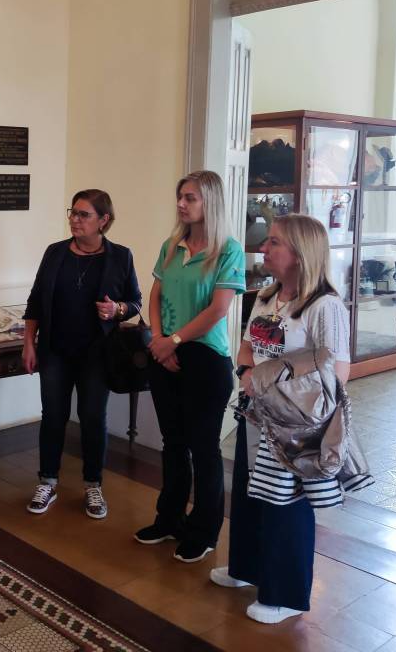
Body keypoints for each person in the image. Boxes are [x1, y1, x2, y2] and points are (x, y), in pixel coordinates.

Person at [211, 214, 350, 624]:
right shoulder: (267, 296)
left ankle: (285, 594)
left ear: (300, 253)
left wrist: (285, 395)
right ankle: (246, 568)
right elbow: (247, 347)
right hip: (256, 415)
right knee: (249, 493)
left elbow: (338, 370)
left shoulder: (324, 306)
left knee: (286, 503)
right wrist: (247, 374)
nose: (263, 248)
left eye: (274, 242)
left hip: (294, 424)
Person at [135, 170, 245, 562]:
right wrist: (158, 339)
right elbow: (155, 294)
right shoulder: (172, 246)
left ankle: (204, 532)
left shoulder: (228, 250)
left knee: (203, 448)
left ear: (209, 202)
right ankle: (169, 520)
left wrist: (175, 340)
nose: (181, 204)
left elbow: (218, 309)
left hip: (205, 358)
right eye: (180, 196)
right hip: (165, 353)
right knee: (173, 443)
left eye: (190, 198)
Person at [21, 189, 142, 518]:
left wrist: (117, 309)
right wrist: (29, 342)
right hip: (55, 350)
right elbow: (36, 300)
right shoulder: (55, 252)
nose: (75, 220)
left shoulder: (120, 256)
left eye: (83, 214)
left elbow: (134, 302)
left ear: (103, 220)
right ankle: (47, 481)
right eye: (72, 213)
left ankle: (93, 485)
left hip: (97, 353)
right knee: (53, 416)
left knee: (92, 417)